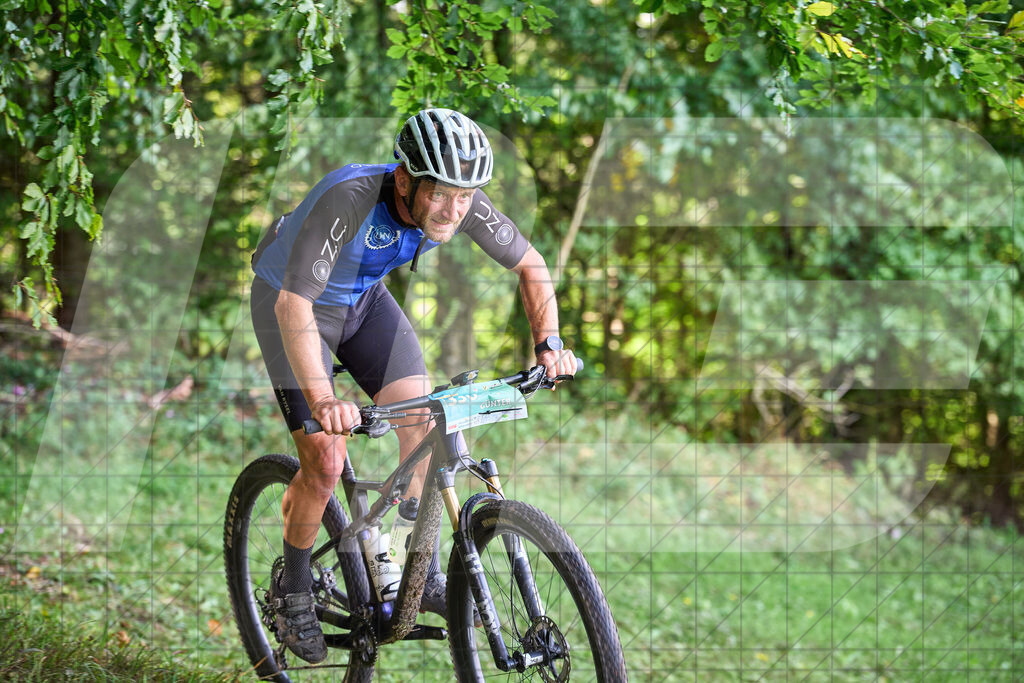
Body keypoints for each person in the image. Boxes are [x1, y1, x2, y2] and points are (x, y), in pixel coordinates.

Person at [249, 108, 576, 663]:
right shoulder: (349, 199)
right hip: (290, 303)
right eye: (443, 195)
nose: (455, 210)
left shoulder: (459, 202)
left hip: (361, 301)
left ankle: (403, 567)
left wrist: (548, 344)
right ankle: (295, 589)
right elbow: (293, 303)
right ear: (405, 180)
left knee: (422, 422)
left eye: (466, 196)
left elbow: (532, 264)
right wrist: (326, 400)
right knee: (325, 463)